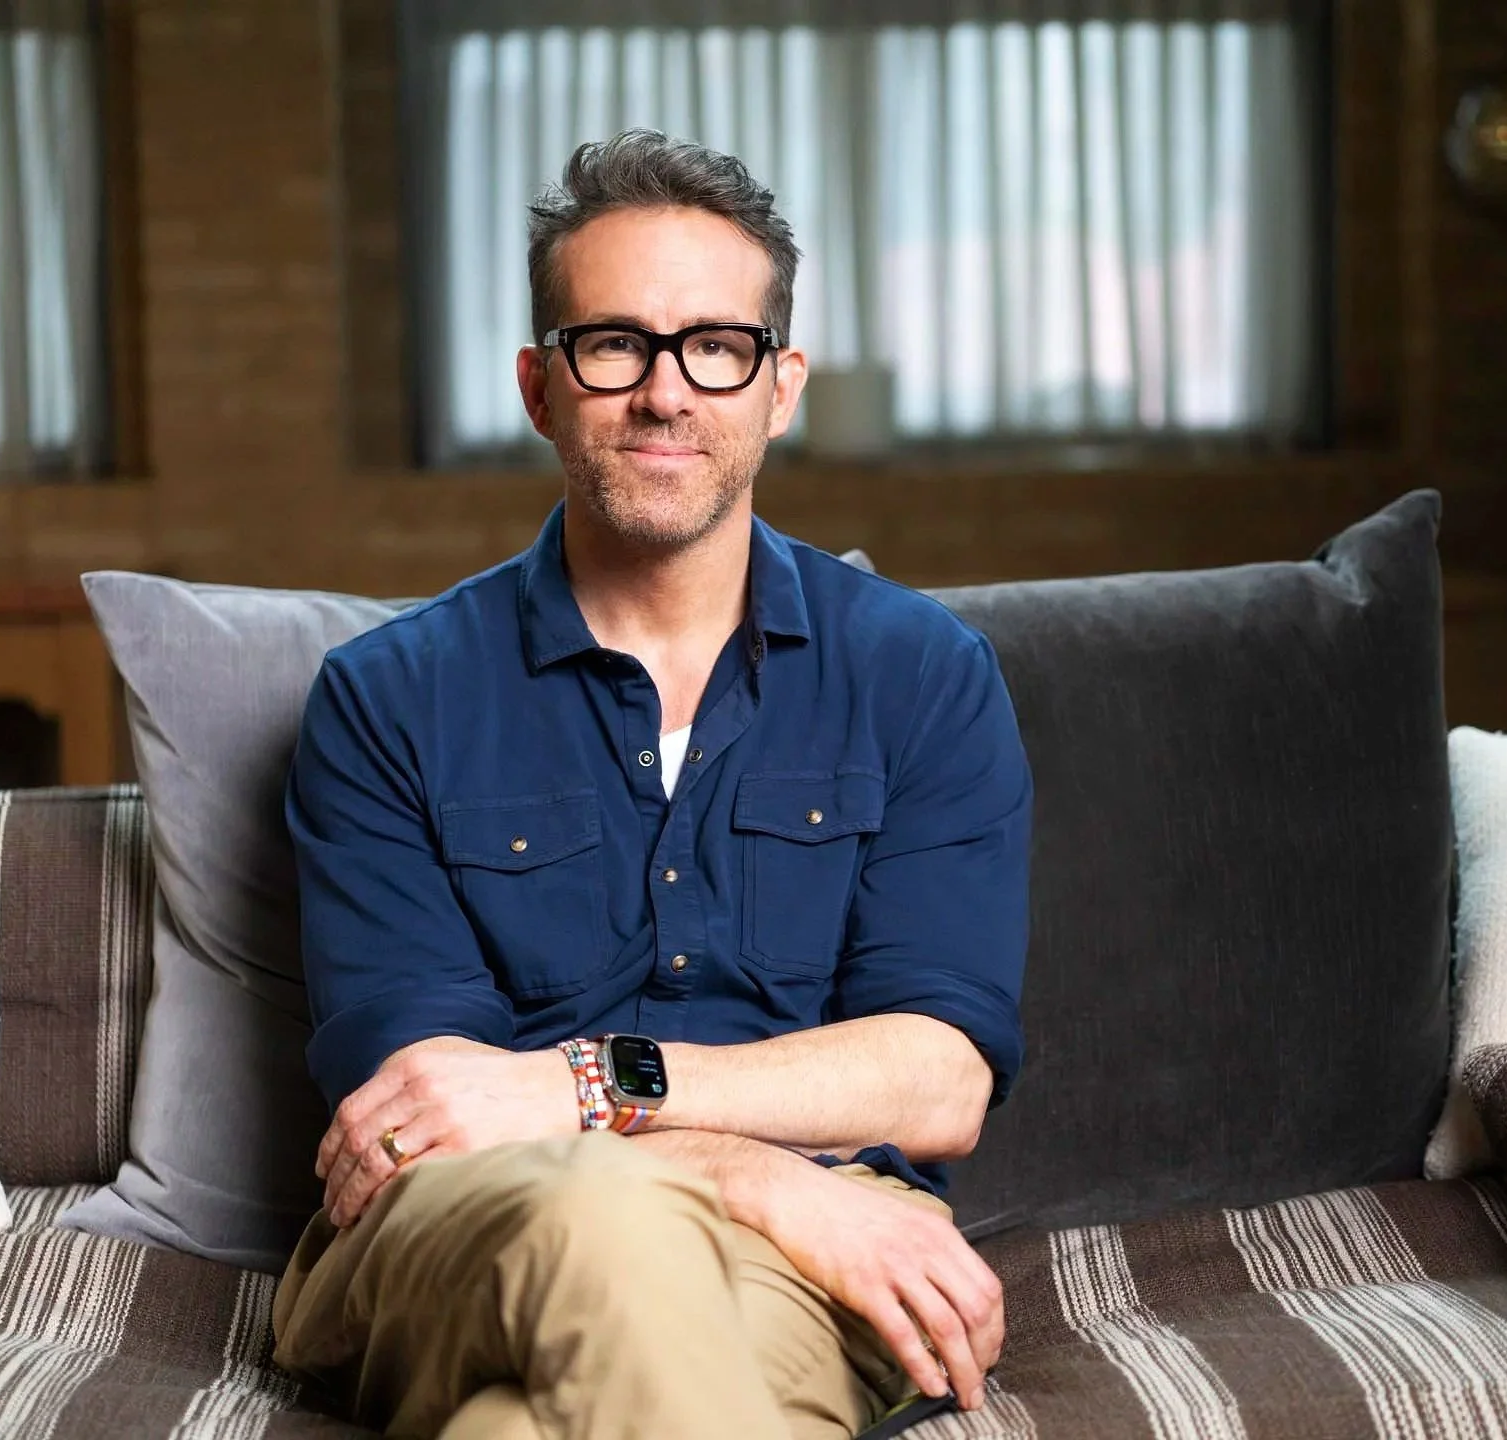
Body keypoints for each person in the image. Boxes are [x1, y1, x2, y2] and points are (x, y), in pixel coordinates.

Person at [270, 129, 1033, 1440]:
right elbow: (428, 1112)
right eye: (613, 344)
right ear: (539, 386)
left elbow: (935, 1081)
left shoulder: (921, 675)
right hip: (470, 1223)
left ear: (779, 385)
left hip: (814, 1260)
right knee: (606, 1216)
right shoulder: (385, 700)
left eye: (716, 347)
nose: (665, 392)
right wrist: (759, 1170)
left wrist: (575, 1083)